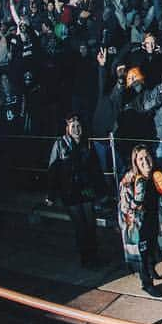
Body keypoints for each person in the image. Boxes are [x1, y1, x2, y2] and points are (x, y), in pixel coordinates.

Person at [118, 145, 162, 297]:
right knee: (142, 251)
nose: (145, 161)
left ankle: (151, 269)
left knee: (153, 246)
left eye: (147, 157)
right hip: (137, 223)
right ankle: (146, 283)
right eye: (140, 159)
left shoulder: (160, 174)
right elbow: (124, 208)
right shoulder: (129, 179)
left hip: (155, 217)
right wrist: (137, 200)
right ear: (135, 162)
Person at [47, 114, 103, 266]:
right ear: (68, 129)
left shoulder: (87, 144)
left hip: (86, 190)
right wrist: (51, 194)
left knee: (91, 224)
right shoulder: (60, 144)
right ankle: (86, 258)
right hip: (70, 191)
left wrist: (101, 191)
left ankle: (94, 256)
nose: (77, 130)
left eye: (79, 127)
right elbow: (53, 170)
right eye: (73, 127)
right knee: (80, 226)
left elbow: (96, 169)